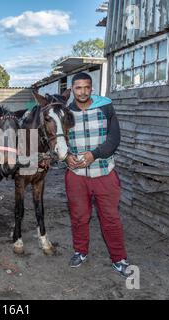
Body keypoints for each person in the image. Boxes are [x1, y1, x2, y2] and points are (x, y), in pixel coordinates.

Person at [65, 72, 131, 278]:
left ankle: (119, 259)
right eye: (78, 87)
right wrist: (66, 156)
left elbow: (114, 138)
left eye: (86, 87)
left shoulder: (105, 107)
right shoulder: (65, 113)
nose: (83, 91)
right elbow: (57, 140)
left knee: (110, 218)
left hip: (104, 172)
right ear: (72, 89)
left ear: (91, 88)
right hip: (76, 175)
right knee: (79, 217)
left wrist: (95, 154)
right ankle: (80, 252)